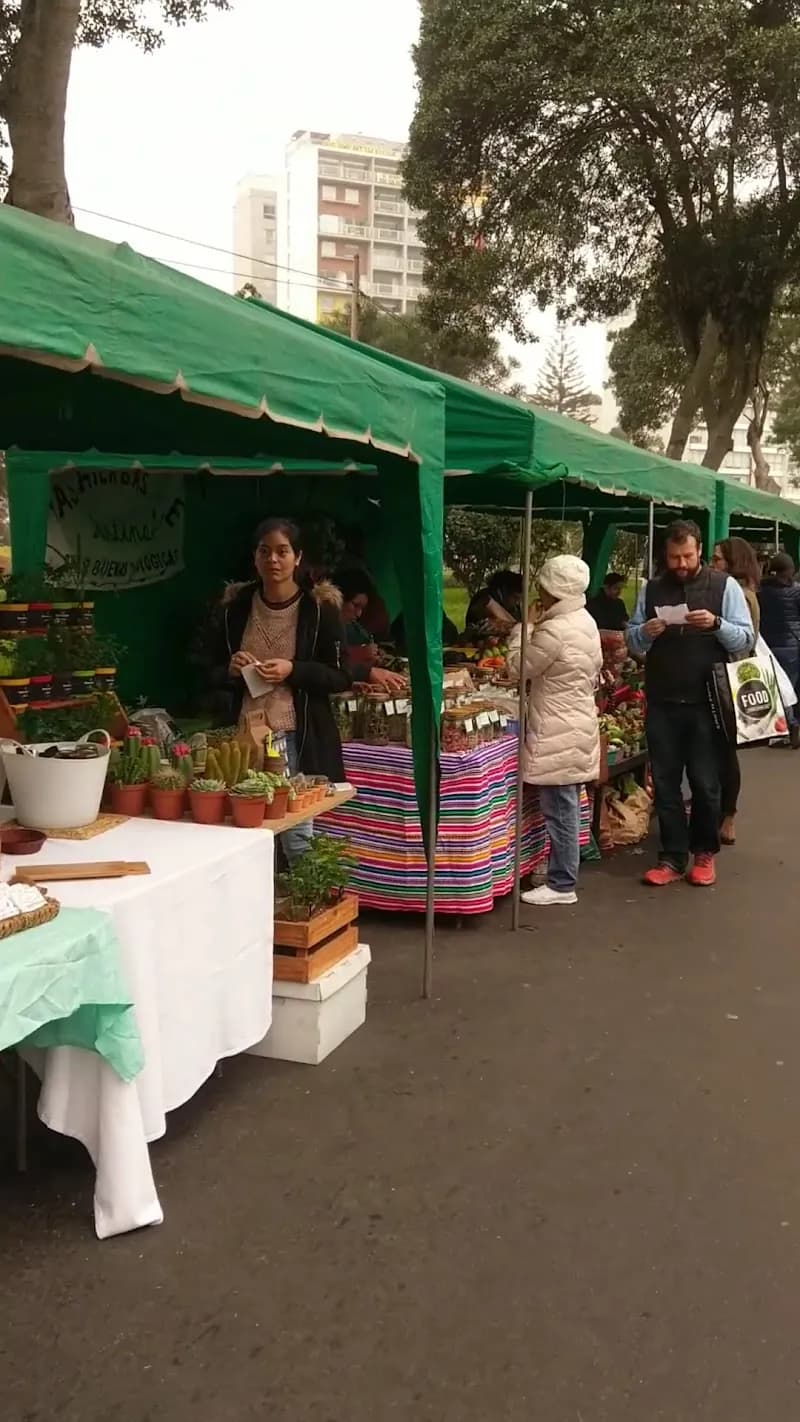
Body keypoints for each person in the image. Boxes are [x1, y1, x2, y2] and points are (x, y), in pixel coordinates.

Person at [627, 519, 754, 888]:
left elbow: (744, 640)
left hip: (708, 703)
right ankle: (671, 857)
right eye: (673, 557)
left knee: (705, 783)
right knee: (665, 784)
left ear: (699, 550)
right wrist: (644, 633)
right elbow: (633, 640)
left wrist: (716, 624)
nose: (681, 564)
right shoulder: (651, 589)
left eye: (687, 556)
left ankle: (704, 853)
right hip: (663, 700)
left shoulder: (724, 586)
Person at [215, 517, 350, 862]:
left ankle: (306, 903)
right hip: (245, 735)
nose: (273, 560)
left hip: (292, 733)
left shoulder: (318, 610)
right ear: (254, 557)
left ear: (298, 557)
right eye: (265, 551)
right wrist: (229, 669)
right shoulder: (237, 607)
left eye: (282, 551)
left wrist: (294, 670)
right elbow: (204, 668)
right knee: (245, 829)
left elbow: (340, 677)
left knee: (296, 831)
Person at [507, 555, 602, 907]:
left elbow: (519, 667)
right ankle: (560, 872)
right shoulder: (585, 620)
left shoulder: (553, 629)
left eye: (543, 589)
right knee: (565, 804)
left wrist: (523, 628)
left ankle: (563, 883)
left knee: (559, 808)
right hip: (576, 719)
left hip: (557, 727)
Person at [710, 538, 762, 841]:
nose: (711, 563)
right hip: (724, 677)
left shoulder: (739, 595)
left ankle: (728, 816)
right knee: (720, 752)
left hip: (729, 678)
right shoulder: (739, 591)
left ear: (732, 562)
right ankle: (721, 812)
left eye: (717, 559)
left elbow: (742, 642)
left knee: (724, 753)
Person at [333, 568, 406, 692]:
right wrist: (360, 655)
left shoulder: (354, 627)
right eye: (355, 605)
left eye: (362, 608)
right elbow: (326, 665)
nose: (358, 613)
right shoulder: (320, 626)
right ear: (338, 599)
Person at [758, 552, 800, 749]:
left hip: (769, 646)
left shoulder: (761, 591)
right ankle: (792, 725)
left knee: (780, 689)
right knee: (791, 688)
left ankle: (787, 728)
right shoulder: (796, 591)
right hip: (793, 645)